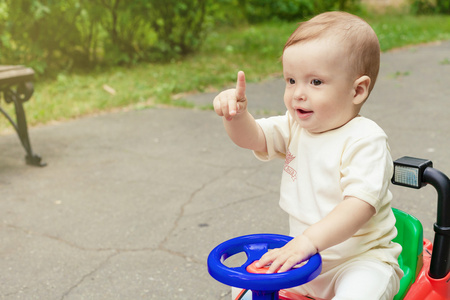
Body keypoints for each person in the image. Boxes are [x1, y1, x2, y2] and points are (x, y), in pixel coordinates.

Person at [213, 11, 403, 300]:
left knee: (359, 293)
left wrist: (308, 242)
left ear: (357, 90)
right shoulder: (295, 125)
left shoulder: (366, 140)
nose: (297, 94)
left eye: (315, 82)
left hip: (358, 262)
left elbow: (358, 206)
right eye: (291, 80)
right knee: (245, 284)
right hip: (304, 259)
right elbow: (252, 137)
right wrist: (235, 116)